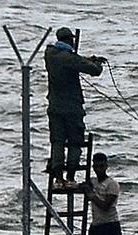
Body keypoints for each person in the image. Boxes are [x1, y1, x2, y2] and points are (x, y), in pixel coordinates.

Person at [45, 27, 105, 187]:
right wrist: (97, 62)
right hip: (72, 108)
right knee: (75, 142)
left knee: (57, 142)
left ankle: (58, 179)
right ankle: (70, 178)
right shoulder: (69, 58)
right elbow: (94, 71)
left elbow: (72, 58)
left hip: (54, 107)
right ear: (70, 40)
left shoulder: (50, 55)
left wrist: (85, 58)